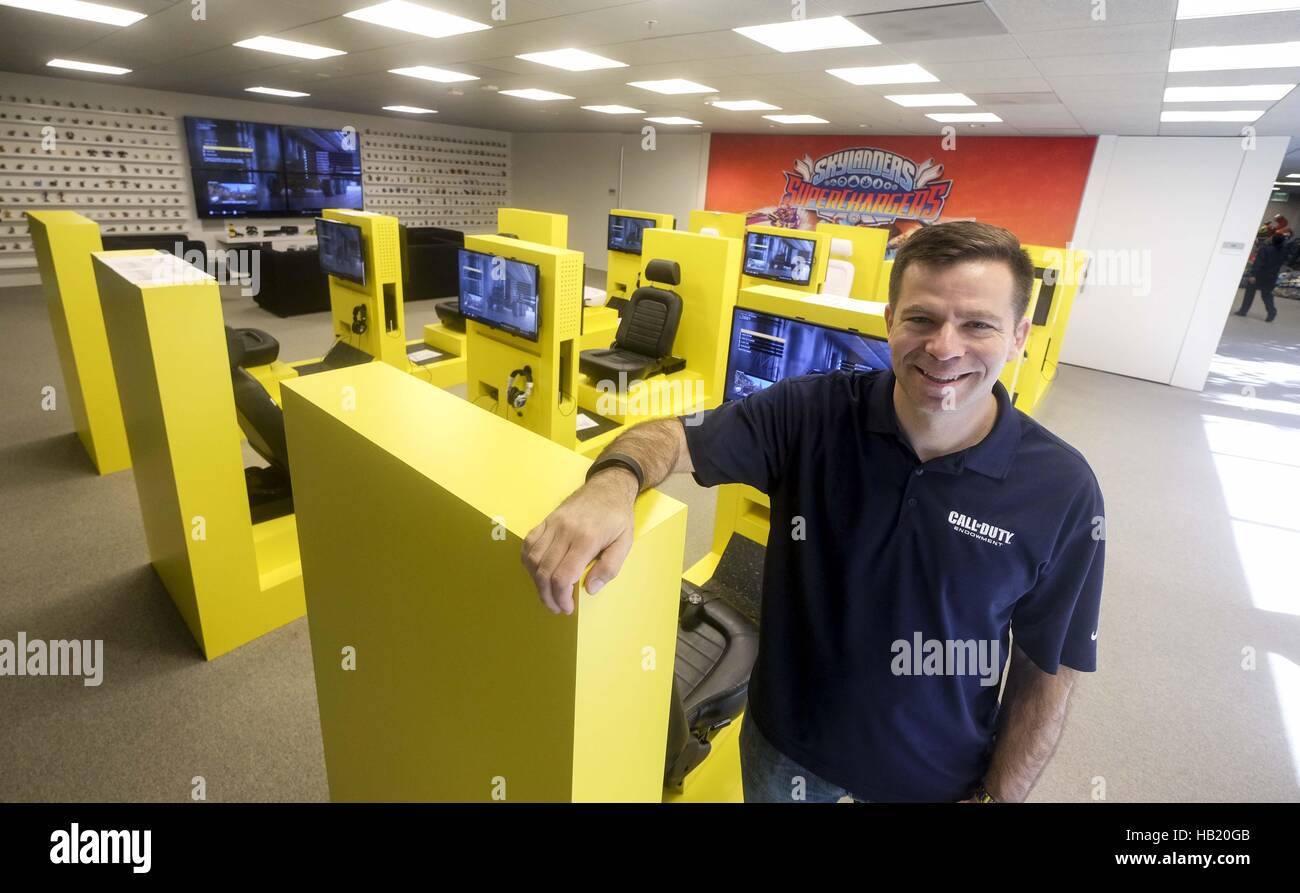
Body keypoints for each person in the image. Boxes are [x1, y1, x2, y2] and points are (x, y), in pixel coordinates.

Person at [522, 221, 1106, 803]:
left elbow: (1048, 668)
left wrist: (1002, 799)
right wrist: (610, 485)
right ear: (889, 321)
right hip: (782, 753)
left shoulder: (1061, 489)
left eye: (978, 324)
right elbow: (672, 437)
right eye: (922, 318)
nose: (944, 347)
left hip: (936, 780)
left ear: (1019, 336)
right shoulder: (810, 413)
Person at [1235, 232, 1286, 322]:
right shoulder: (1283, 251)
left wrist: (1253, 275)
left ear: (1273, 240)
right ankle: (1272, 312)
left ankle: (1243, 311)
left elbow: (1258, 263)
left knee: (1249, 293)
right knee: (1266, 295)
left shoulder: (1265, 250)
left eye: (1271, 237)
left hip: (1259, 275)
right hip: (1272, 276)